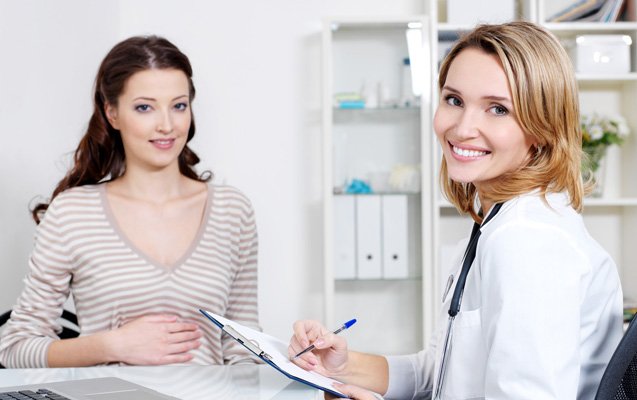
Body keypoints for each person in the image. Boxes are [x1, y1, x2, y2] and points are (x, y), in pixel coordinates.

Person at [288, 21, 623, 399]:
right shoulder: (497, 222)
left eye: (497, 109)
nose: (463, 128)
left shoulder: (528, 241)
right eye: (454, 100)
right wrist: (344, 367)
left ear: (542, 128)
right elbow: (440, 372)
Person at [0, 35, 259, 368]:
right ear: (112, 113)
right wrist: (110, 346)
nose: (167, 125)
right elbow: (13, 347)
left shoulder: (232, 210)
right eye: (144, 107)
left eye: (179, 105)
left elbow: (244, 350)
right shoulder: (73, 213)